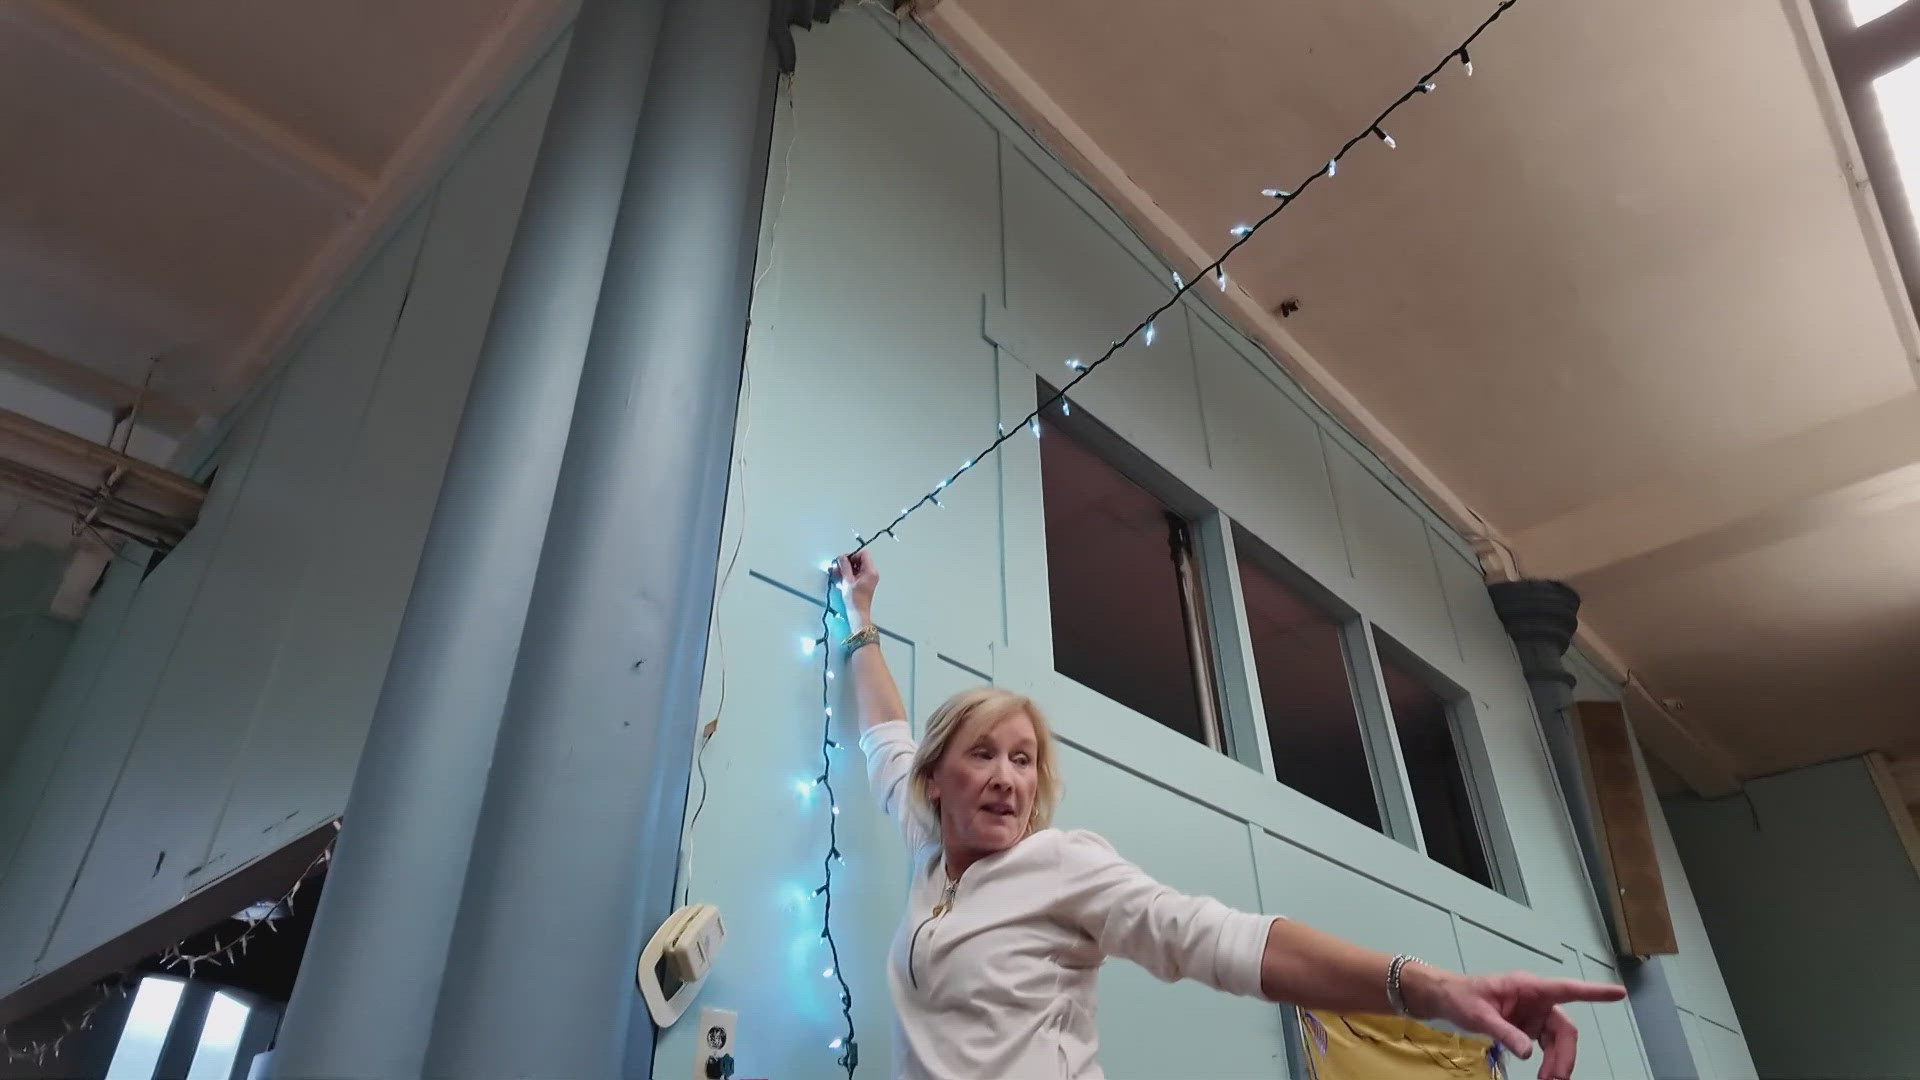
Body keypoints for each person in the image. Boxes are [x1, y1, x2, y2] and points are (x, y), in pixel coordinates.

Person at [832, 552, 1625, 1080]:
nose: (1007, 778)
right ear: (938, 780)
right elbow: (885, 739)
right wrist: (858, 614)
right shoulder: (929, 850)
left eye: (1023, 758)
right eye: (982, 755)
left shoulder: (1061, 867)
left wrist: (1432, 988)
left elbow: (1221, 939)